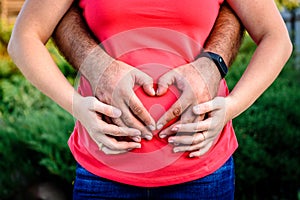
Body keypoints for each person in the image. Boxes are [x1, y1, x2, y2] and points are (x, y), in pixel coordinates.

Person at [8, 1, 292, 200]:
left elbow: (276, 37)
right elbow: (24, 37)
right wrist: (76, 105)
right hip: (104, 170)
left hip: (202, 171)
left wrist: (232, 107)